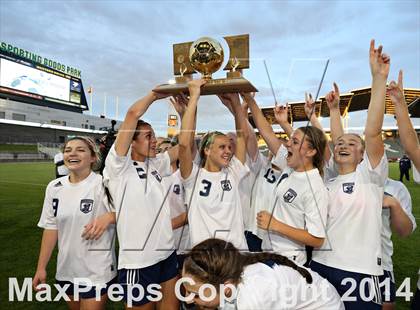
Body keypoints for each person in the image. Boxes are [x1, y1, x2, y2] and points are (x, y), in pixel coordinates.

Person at [311, 40, 390, 309]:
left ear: (363, 156)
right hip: (320, 264)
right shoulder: (330, 181)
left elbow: (373, 132)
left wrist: (378, 80)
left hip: (360, 272)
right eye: (340, 144)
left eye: (352, 144)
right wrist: (333, 111)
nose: (344, 145)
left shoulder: (370, 177)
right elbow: (337, 140)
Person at [103, 89, 183, 309]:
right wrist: (155, 94)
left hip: (167, 253)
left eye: (155, 136)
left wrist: (185, 114)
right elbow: (132, 114)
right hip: (139, 262)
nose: (155, 141)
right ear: (132, 142)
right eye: (149, 136)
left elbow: (185, 146)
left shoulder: (156, 164)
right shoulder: (119, 167)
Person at [243, 92, 329, 266]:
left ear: (311, 152)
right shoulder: (290, 167)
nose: (288, 144)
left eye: (295, 142)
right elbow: (266, 131)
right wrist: (250, 100)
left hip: (290, 261)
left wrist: (275, 225)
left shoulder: (314, 186)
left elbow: (317, 238)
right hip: (270, 252)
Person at [33, 136, 117, 310]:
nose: (72, 153)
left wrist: (109, 217)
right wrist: (41, 268)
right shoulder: (54, 187)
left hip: (97, 270)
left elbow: (131, 212)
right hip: (66, 270)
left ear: (93, 157)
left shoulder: (104, 184)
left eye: (80, 149)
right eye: (67, 150)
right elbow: (51, 228)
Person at [179, 79, 249, 250]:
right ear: (207, 150)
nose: (228, 151)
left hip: (236, 254)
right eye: (222, 147)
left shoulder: (232, 172)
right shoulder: (193, 177)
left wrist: (235, 102)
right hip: (205, 259)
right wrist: (194, 97)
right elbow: (183, 144)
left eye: (229, 147)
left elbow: (242, 137)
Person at [181, 238, 344, 309]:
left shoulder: (253, 297)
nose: (187, 300)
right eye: (184, 289)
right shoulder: (231, 270)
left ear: (227, 288)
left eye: (196, 294)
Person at [381, 178, 416, 309]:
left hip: (381, 264)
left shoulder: (395, 187)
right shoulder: (334, 180)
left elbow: (405, 232)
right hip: (337, 263)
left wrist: (394, 204)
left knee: (386, 305)